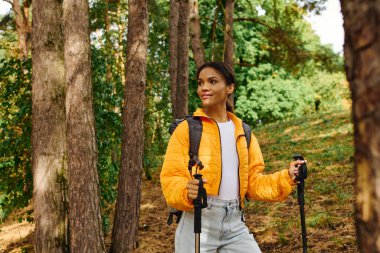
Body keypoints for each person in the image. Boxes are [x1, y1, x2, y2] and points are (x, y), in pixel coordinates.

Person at [160, 62, 306, 253]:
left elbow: (253, 183)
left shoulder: (243, 132)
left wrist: (287, 176)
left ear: (229, 88)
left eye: (212, 81)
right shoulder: (187, 129)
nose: (204, 87)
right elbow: (171, 177)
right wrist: (187, 191)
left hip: (235, 223)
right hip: (198, 222)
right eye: (200, 82)